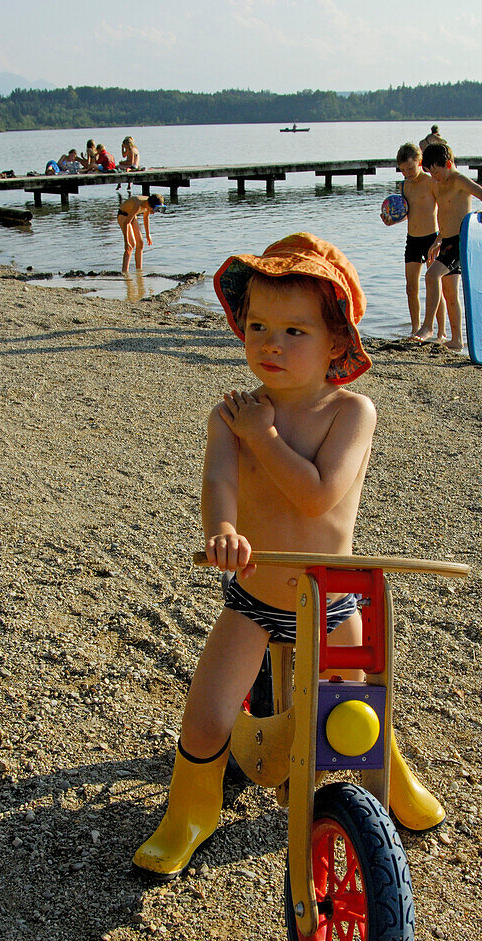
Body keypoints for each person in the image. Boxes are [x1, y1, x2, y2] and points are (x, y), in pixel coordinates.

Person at [132, 233, 378, 878]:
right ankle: (192, 810)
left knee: (350, 721)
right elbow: (220, 483)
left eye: (295, 330)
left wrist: (264, 436)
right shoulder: (233, 414)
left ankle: (382, 786)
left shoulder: (349, 412)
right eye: (259, 325)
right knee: (209, 717)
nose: (270, 342)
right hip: (254, 598)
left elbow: (317, 497)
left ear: (337, 344)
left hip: (330, 598)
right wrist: (223, 529)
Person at [413, 142, 482, 350]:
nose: (435, 178)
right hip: (446, 241)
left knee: (431, 275)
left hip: (460, 242)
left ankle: (428, 326)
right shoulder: (438, 184)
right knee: (449, 293)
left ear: (448, 164)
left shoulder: (459, 180)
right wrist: (438, 240)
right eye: (431, 174)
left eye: (437, 173)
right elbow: (445, 215)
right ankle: (457, 339)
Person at [396, 142, 447, 340]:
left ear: (419, 161)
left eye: (410, 168)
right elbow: (406, 213)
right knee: (411, 287)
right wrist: (391, 219)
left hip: (431, 239)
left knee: (435, 286)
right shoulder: (405, 185)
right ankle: (416, 328)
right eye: (402, 170)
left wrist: (441, 238)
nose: (407, 173)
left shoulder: (431, 182)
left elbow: (443, 211)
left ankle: (440, 331)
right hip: (412, 240)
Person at [117, 193, 165, 273]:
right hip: (123, 215)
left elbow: (146, 217)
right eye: (154, 210)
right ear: (149, 205)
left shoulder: (149, 202)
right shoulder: (138, 205)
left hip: (132, 216)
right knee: (131, 244)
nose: (154, 212)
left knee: (140, 243)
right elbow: (126, 223)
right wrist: (126, 241)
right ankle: (124, 272)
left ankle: (139, 271)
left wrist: (148, 234)